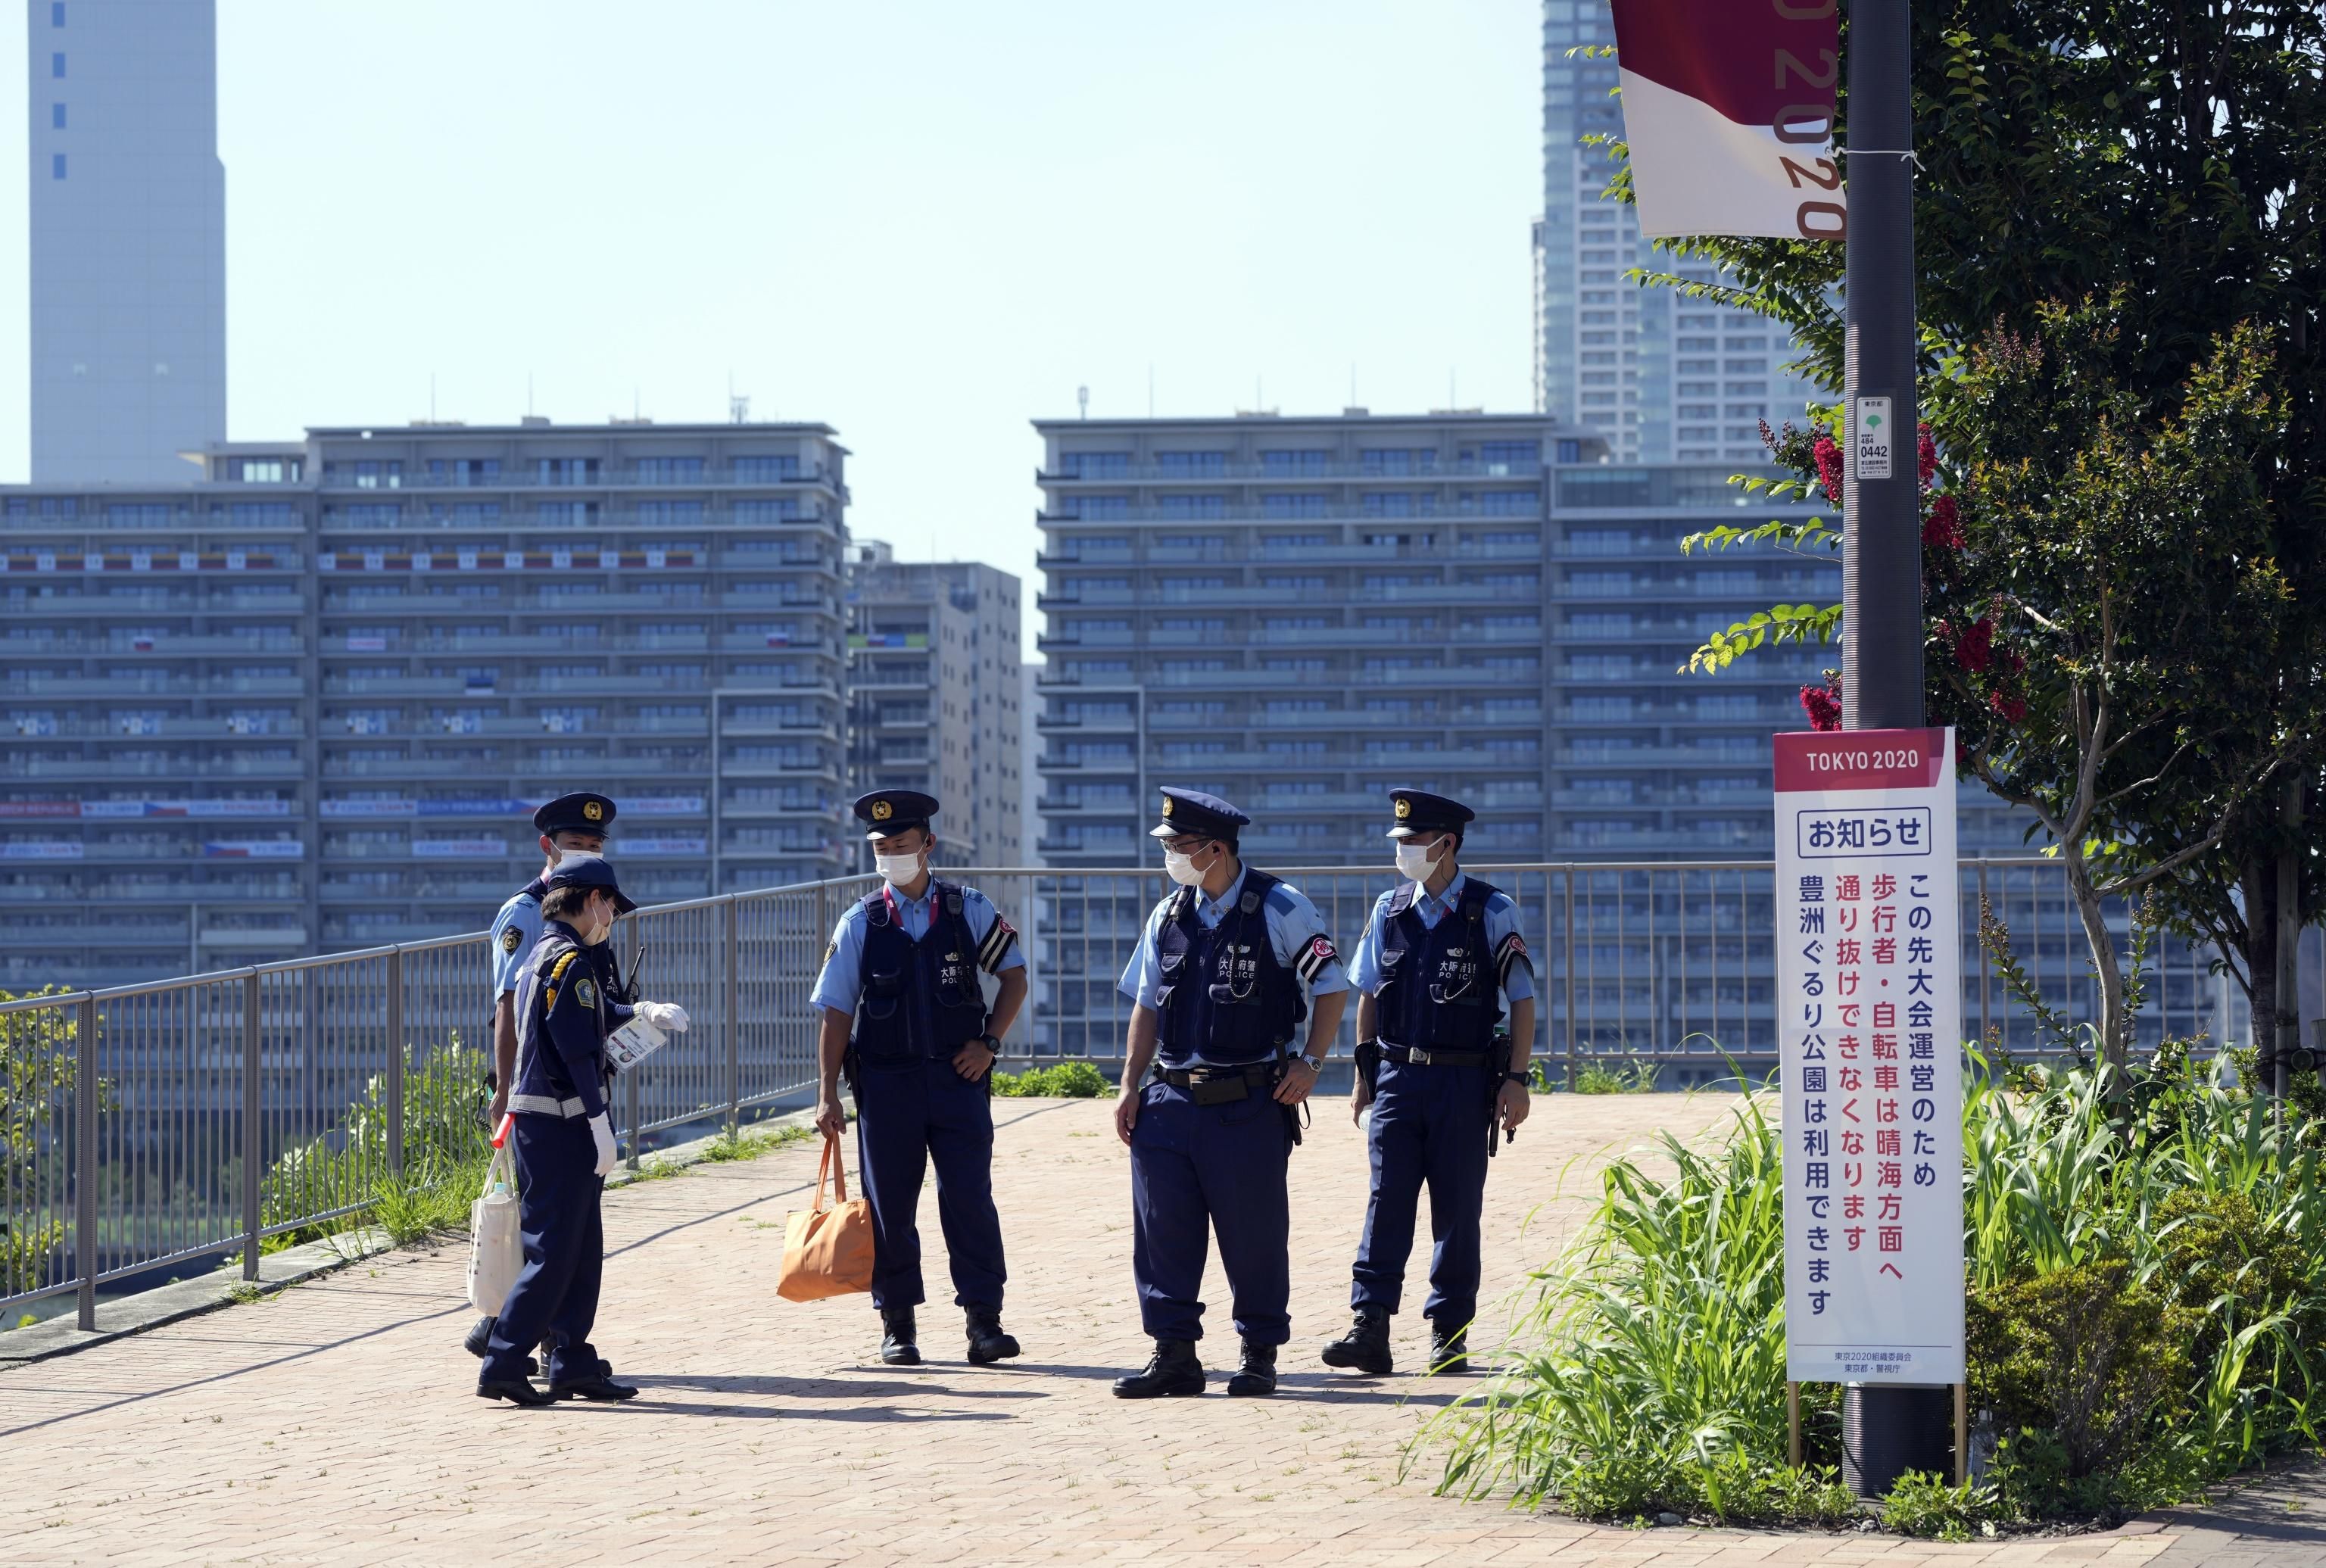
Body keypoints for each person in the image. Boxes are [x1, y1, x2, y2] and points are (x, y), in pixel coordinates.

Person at [1110, 787, 1349, 1400]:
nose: (1171, 857)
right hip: (1168, 1100)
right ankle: (1174, 1354)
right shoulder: (1168, 915)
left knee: (1254, 1235)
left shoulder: (1278, 906)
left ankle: (1259, 1352)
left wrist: (1312, 1062)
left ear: (1215, 849)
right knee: (1163, 1233)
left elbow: (1331, 985)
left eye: (1180, 847)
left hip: (1246, 1102)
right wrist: (1129, 1083)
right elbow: (1145, 1002)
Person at [812, 789, 1030, 1367]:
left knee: (969, 1200)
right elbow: (836, 1011)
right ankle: (898, 1324)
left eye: (900, 845)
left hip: (958, 1082)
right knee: (889, 1208)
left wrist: (989, 1044)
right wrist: (826, 1091)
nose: (890, 855)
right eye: (881, 847)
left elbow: (1014, 978)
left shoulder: (968, 909)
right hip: (886, 1087)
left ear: (928, 844)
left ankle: (984, 1321)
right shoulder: (861, 921)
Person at [1321, 790, 1534, 1379]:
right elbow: (1368, 992)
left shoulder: (1493, 911)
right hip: (1397, 1077)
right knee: (1385, 1200)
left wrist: (1515, 1080)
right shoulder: (1388, 909)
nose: (1406, 850)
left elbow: (1521, 1000)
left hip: (1464, 1082)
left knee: (1457, 1208)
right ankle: (1371, 1327)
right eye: (1402, 842)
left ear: (1448, 844)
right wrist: (1365, 1074)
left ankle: (1449, 1333)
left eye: (1416, 841)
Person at [475, 853, 690, 1406]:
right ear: (591, 899)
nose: (612, 916)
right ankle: (503, 1358)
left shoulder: (545, 958)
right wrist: (599, 1121)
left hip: (549, 1121)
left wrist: (642, 1009)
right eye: (611, 906)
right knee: (552, 1250)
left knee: (578, 1247)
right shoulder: (568, 962)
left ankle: (573, 1359)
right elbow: (576, 1051)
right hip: (561, 1122)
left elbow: (591, 1016)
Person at [464, 791, 614, 1364]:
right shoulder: (526, 912)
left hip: (579, 1089)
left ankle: (560, 1346)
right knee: (548, 1229)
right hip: (541, 1095)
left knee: (572, 1227)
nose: (584, 852)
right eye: (575, 844)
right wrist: (503, 1095)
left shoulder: (589, 908)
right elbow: (510, 1009)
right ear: (549, 847)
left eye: (594, 845)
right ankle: (505, 1335)